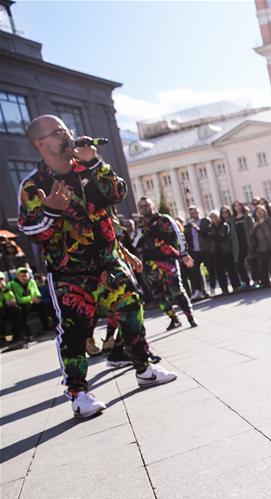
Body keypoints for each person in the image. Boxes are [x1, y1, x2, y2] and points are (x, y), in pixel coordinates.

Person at [18, 115, 176, 418]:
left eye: (66, 129)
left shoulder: (85, 168)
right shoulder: (34, 185)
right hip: (69, 272)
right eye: (58, 132)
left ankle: (144, 368)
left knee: (131, 309)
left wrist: (95, 163)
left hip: (108, 261)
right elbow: (32, 232)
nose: (66, 135)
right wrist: (51, 210)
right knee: (75, 331)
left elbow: (116, 193)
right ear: (42, 143)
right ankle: (78, 393)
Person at [134, 196, 197, 330]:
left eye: (147, 205)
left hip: (168, 260)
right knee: (158, 294)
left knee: (176, 290)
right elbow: (135, 244)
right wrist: (139, 231)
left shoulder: (164, 219)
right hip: (151, 263)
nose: (144, 208)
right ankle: (174, 319)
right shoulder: (139, 224)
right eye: (141, 206)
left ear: (153, 206)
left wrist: (184, 253)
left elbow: (178, 234)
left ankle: (190, 317)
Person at [10, 267, 53, 339]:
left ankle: (46, 326)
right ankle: (27, 332)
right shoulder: (13, 285)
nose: (25, 277)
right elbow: (18, 299)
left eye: (26, 275)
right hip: (23, 304)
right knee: (19, 310)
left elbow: (36, 293)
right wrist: (30, 298)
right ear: (17, 276)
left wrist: (34, 298)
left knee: (41, 304)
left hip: (33, 302)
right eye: (22, 276)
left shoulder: (32, 281)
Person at [203, 210, 240, 294]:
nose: (214, 218)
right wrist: (216, 236)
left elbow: (225, 236)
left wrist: (214, 237)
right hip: (215, 252)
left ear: (218, 217)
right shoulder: (209, 227)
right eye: (212, 217)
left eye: (215, 216)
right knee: (220, 271)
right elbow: (208, 236)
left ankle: (236, 286)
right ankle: (224, 289)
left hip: (226, 250)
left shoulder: (225, 225)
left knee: (231, 269)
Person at [250, 205, 271, 287]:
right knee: (263, 265)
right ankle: (265, 281)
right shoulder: (255, 223)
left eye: (262, 211)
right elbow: (251, 235)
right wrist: (255, 227)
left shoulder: (270, 220)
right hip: (262, 247)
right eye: (258, 212)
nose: (260, 213)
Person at [183, 205, 211, 299]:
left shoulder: (205, 221)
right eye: (191, 213)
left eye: (194, 212)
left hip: (206, 249)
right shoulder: (188, 225)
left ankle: (209, 289)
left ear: (198, 212)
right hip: (194, 251)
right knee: (195, 272)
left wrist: (196, 228)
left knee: (209, 269)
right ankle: (198, 291)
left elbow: (206, 233)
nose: (193, 214)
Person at [229, 201, 254, 287]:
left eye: (239, 205)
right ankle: (245, 281)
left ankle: (256, 279)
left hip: (248, 242)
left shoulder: (247, 217)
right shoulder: (232, 219)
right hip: (238, 244)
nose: (238, 207)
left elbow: (252, 228)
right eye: (235, 206)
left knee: (252, 261)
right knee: (239, 264)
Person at [0, 271, 27, 346]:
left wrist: (5, 290)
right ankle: (2, 338)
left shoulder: (7, 286)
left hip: (6, 308)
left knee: (15, 308)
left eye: (1, 279)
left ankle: (18, 334)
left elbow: (12, 299)